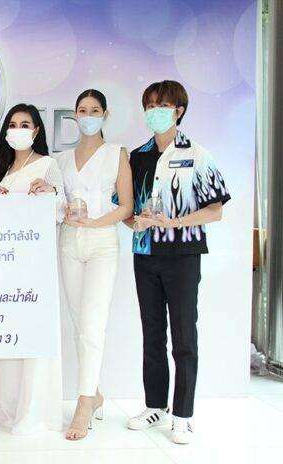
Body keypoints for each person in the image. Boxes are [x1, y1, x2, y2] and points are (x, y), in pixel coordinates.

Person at [124, 80, 230, 445]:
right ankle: (155, 405)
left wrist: (175, 222)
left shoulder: (197, 154)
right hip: (145, 255)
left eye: (162, 105)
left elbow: (215, 210)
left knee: (184, 336)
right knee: (152, 333)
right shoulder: (137, 156)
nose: (155, 111)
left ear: (178, 110)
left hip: (183, 255)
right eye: (150, 105)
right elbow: (127, 210)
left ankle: (183, 414)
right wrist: (134, 222)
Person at [55, 90, 133, 440]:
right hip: (70, 242)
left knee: (92, 324)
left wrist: (96, 223)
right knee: (79, 324)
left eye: (95, 110)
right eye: (82, 110)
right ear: (75, 114)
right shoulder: (61, 159)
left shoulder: (117, 154)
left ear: (105, 114)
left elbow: (126, 206)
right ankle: (95, 392)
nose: (88, 115)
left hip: (102, 243)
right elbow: (57, 202)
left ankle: (84, 402)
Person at [0, 103, 66, 435]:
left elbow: (62, 209)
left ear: (36, 131)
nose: (18, 129)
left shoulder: (48, 165)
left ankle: (34, 412)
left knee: (35, 333)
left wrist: (49, 193)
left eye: (25, 124)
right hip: (9, 266)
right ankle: (9, 407)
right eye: (13, 124)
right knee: (12, 333)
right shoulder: (4, 169)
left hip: (36, 265)